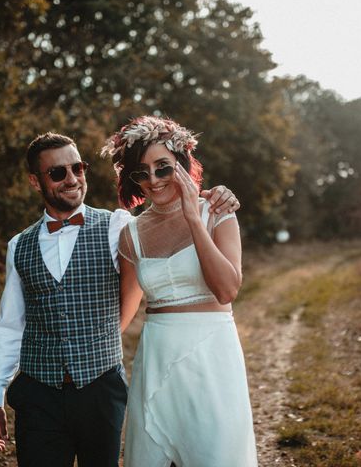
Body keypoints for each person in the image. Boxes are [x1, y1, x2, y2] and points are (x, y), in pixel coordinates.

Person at [0, 131, 240, 467]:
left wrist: (217, 196)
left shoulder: (117, 226)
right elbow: (10, 326)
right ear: (36, 181)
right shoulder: (19, 245)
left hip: (100, 391)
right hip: (37, 395)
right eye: (58, 173)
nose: (72, 179)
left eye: (78, 168)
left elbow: (166, 219)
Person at [101, 116, 257, 467]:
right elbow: (122, 316)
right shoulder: (132, 234)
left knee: (213, 453)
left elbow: (227, 289)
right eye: (142, 172)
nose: (154, 180)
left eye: (163, 168)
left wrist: (192, 216)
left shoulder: (216, 212)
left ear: (183, 166)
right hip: (156, 357)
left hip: (212, 356)